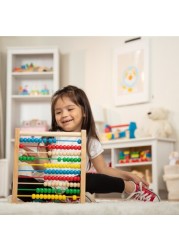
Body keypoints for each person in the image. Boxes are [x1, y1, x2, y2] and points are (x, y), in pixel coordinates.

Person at [20, 85, 160, 202]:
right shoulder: (48, 138)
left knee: (90, 179)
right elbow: (43, 168)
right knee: (20, 185)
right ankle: (60, 198)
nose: (63, 115)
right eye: (58, 112)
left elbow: (104, 170)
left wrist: (129, 176)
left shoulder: (89, 140)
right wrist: (35, 161)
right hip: (51, 186)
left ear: (84, 112)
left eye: (70, 109)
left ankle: (130, 187)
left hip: (76, 185)